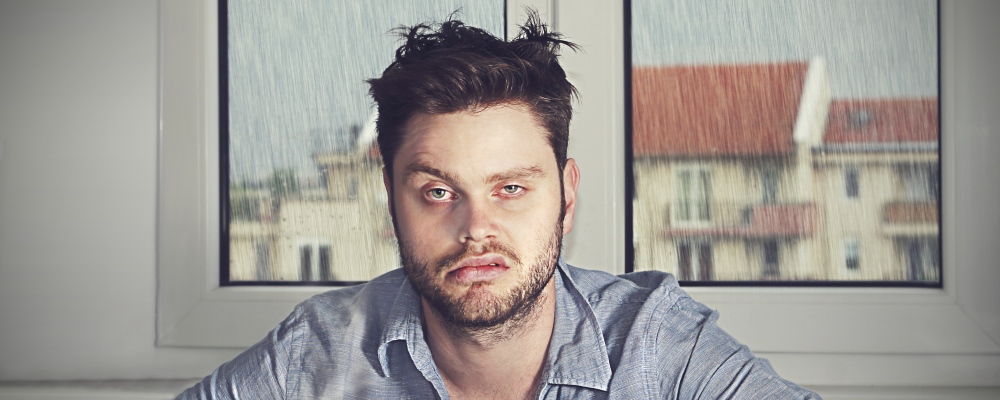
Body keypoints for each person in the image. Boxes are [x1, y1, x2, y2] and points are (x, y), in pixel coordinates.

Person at [179, 12, 820, 400]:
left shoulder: (657, 347)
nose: (476, 229)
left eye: (510, 188)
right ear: (392, 201)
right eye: (438, 192)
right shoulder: (317, 355)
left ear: (567, 195)